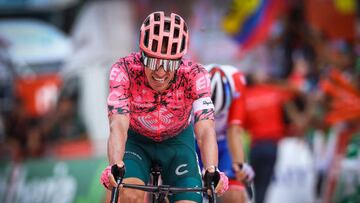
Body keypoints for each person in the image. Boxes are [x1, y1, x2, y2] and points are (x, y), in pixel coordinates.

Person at [100, 11, 228, 203]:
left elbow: (205, 129)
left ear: (180, 60)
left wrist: (212, 169)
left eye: (169, 64)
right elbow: (118, 124)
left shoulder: (195, 75)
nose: (160, 71)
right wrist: (115, 164)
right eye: (153, 61)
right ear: (142, 54)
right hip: (137, 142)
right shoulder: (124, 69)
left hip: (177, 143)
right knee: (129, 196)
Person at [196, 64, 255, 203]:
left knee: (235, 196)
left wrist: (239, 164)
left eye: (220, 114)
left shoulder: (237, 80)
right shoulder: (193, 79)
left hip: (223, 141)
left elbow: (234, 130)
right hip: (196, 140)